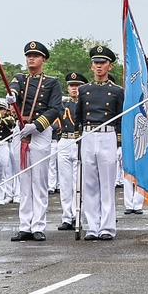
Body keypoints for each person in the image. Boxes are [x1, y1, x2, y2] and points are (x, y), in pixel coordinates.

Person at [12, 42, 64, 240]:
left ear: (43, 59)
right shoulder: (20, 78)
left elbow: (55, 108)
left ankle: (38, 225)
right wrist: (12, 96)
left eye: (35, 56)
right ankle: (24, 225)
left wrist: (38, 125)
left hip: (39, 131)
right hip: (21, 131)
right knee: (24, 181)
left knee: (39, 181)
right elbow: (15, 87)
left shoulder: (52, 82)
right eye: (28, 55)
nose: (31, 59)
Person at [75, 46, 125, 240]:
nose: (98, 66)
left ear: (109, 66)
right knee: (89, 184)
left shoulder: (116, 91)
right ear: (91, 65)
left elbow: (121, 118)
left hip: (108, 135)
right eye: (96, 62)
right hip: (88, 134)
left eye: (102, 63)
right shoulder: (84, 90)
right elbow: (78, 117)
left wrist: (119, 144)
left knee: (106, 184)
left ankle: (107, 227)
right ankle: (92, 226)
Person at [54, 71, 84, 231]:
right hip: (64, 141)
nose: (74, 88)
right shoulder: (62, 104)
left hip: (79, 141)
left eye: (77, 86)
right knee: (65, 183)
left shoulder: (85, 104)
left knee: (77, 183)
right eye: (72, 86)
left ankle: (77, 214)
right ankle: (67, 216)